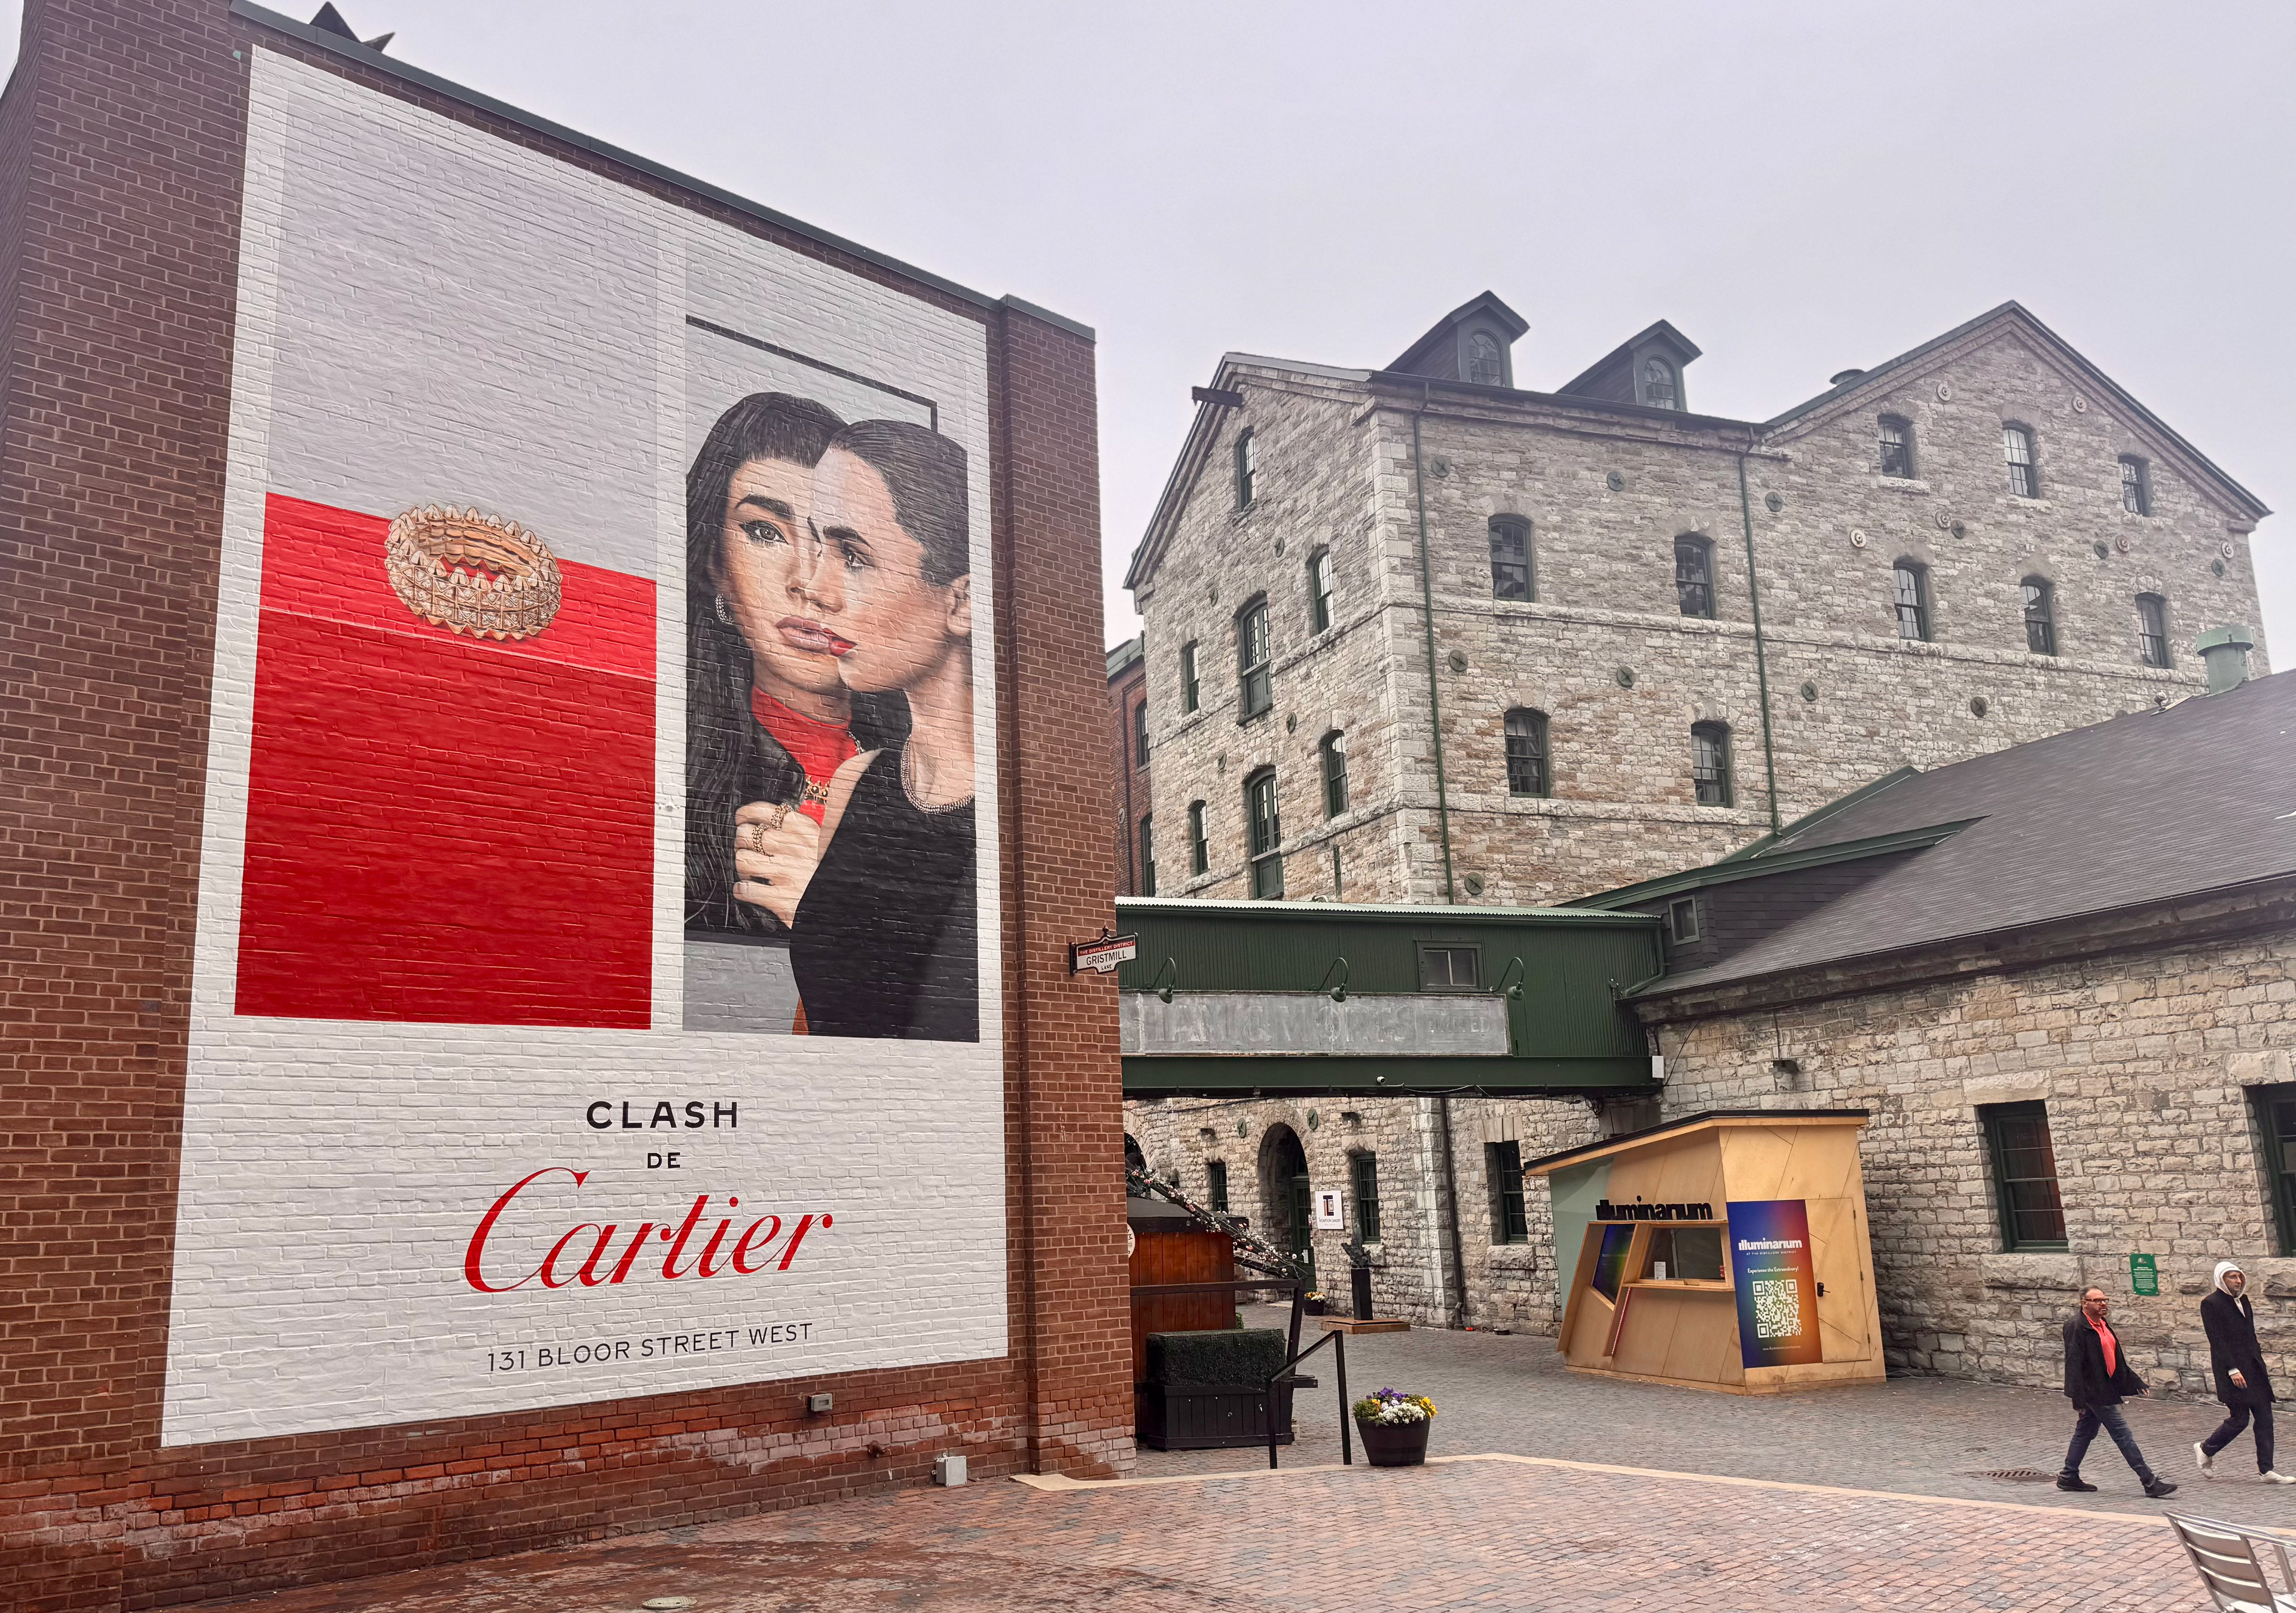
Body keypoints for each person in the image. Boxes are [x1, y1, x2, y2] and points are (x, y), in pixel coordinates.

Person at [735, 419, 977, 1041]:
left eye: (854, 557)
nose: (817, 589)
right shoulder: (856, 782)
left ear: (961, 602)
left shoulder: (1020, 811)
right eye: (823, 549)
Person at [683, 392, 908, 938]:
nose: (808, 580)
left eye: (845, 549)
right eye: (765, 531)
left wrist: (829, 910)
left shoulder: (926, 778)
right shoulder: (677, 770)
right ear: (716, 566)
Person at [2058, 1287, 2176, 1498]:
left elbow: (2116, 1358)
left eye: (2104, 1300)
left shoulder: (2103, 1325)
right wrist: (2078, 1399)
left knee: (2085, 1432)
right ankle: (2149, 1481)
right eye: (2096, 1301)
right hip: (2095, 1392)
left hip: (2106, 1387)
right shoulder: (2076, 1327)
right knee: (2122, 1434)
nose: (2103, 1304)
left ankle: (2068, 1475)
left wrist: (2135, 1381)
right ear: (2084, 1303)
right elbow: (2073, 1364)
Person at [2197, 1260, 2293, 1482]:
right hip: (2232, 1370)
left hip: (2253, 1368)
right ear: (2221, 1279)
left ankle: (2266, 1470)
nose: (2238, 1281)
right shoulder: (2211, 1303)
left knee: (2265, 1417)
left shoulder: (2244, 1301)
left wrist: (2259, 1362)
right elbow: (2217, 1340)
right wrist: (2232, 1369)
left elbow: (2250, 1335)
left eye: (2239, 1276)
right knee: (2240, 1420)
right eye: (2232, 1277)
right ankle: (2205, 1449)